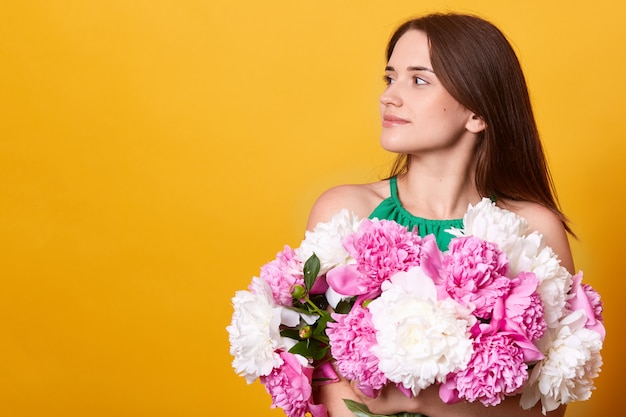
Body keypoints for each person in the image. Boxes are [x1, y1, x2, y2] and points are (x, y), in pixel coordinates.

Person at [305, 12, 573, 417]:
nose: (389, 96)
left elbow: (549, 404)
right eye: (390, 77)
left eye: (419, 80)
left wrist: (410, 400)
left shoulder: (534, 231)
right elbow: (323, 381)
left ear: (477, 114)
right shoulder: (345, 213)